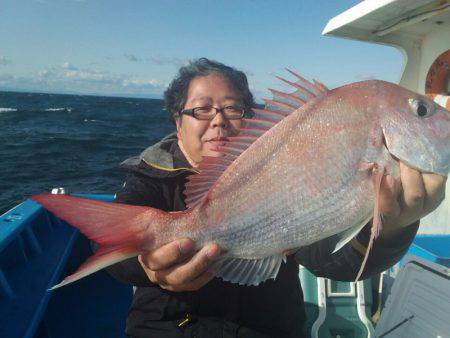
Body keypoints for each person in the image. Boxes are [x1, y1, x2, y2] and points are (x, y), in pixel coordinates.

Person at [106, 58, 446, 337]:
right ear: (177, 123)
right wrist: (148, 268)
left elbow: (329, 260)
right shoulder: (149, 177)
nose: (219, 122)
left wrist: (391, 229)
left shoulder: (288, 170)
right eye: (202, 110)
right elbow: (110, 250)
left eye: (233, 109)